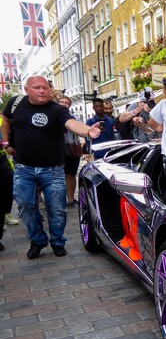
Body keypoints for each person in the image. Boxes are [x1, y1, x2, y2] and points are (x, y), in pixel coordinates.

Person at [0, 75, 101, 259]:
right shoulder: (16, 104)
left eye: (45, 88)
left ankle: (57, 241)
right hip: (24, 168)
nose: (42, 91)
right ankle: (38, 240)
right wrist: (6, 142)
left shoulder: (56, 109)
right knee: (25, 206)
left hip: (53, 170)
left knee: (57, 209)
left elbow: (72, 123)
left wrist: (88, 130)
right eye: (37, 88)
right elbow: (5, 120)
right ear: (27, 89)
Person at [58, 96, 83, 207]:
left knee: (71, 173)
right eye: (62, 102)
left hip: (73, 147)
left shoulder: (74, 117)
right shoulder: (53, 116)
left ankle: (71, 198)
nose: (64, 104)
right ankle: (58, 199)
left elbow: (80, 131)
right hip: (58, 147)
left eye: (67, 103)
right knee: (58, 174)